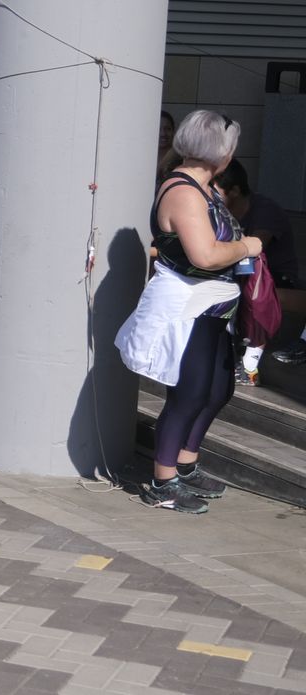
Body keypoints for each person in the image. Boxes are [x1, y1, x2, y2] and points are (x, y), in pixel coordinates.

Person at [116, 110, 263, 514]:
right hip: (189, 306)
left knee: (217, 390)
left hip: (215, 305)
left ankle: (185, 464)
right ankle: (162, 483)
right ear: (221, 150)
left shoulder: (206, 187)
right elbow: (205, 255)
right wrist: (247, 247)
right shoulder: (183, 191)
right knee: (189, 393)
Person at [214, 159, 304, 373]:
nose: (209, 195)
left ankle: (249, 366)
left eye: (214, 190)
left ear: (235, 190)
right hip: (240, 273)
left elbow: (255, 247)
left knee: (252, 290)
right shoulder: (219, 211)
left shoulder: (264, 209)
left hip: (274, 277)